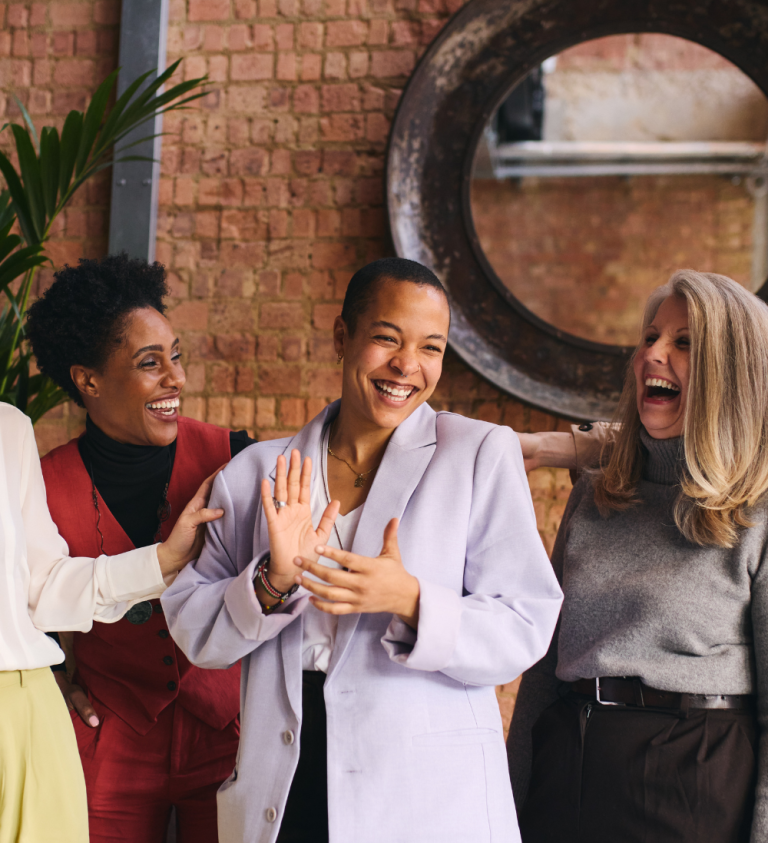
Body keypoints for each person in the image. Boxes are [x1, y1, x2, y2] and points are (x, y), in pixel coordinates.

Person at [163, 257, 563, 843]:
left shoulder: (478, 454)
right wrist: (272, 582)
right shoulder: (255, 474)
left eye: (431, 347)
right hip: (286, 777)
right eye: (386, 339)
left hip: (425, 792)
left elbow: (525, 623)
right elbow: (196, 633)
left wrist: (412, 600)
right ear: (342, 337)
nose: (408, 366)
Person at [507, 269, 768, 843]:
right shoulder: (596, 491)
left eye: (684, 343)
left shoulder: (757, 510)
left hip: (692, 785)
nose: (654, 352)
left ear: (730, 372)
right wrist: (504, 806)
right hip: (565, 775)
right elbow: (544, 672)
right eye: (650, 337)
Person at [25, 254, 255, 843]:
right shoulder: (42, 485)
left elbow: (346, 460)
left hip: (228, 730)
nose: (175, 378)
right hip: (112, 734)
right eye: (150, 363)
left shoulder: (233, 456)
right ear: (89, 380)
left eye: (174, 356)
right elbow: (21, 610)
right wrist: (53, 683)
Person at [0, 402, 220, 843]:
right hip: (79, 719)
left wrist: (162, 561)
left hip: (20, 706)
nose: (173, 377)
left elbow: (43, 585)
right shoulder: (55, 467)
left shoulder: (7, 427)